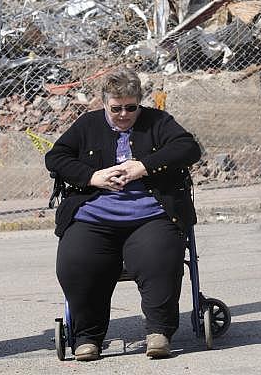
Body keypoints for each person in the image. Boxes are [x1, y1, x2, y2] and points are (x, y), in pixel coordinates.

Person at [45, 67, 201, 361]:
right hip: (94, 216)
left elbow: (188, 148)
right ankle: (87, 336)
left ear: (139, 103)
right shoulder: (88, 125)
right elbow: (56, 157)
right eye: (116, 108)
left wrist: (144, 166)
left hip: (150, 214)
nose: (124, 114)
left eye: (131, 107)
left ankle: (158, 331)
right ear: (104, 103)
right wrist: (93, 177)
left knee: (159, 257)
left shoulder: (158, 121)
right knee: (77, 261)